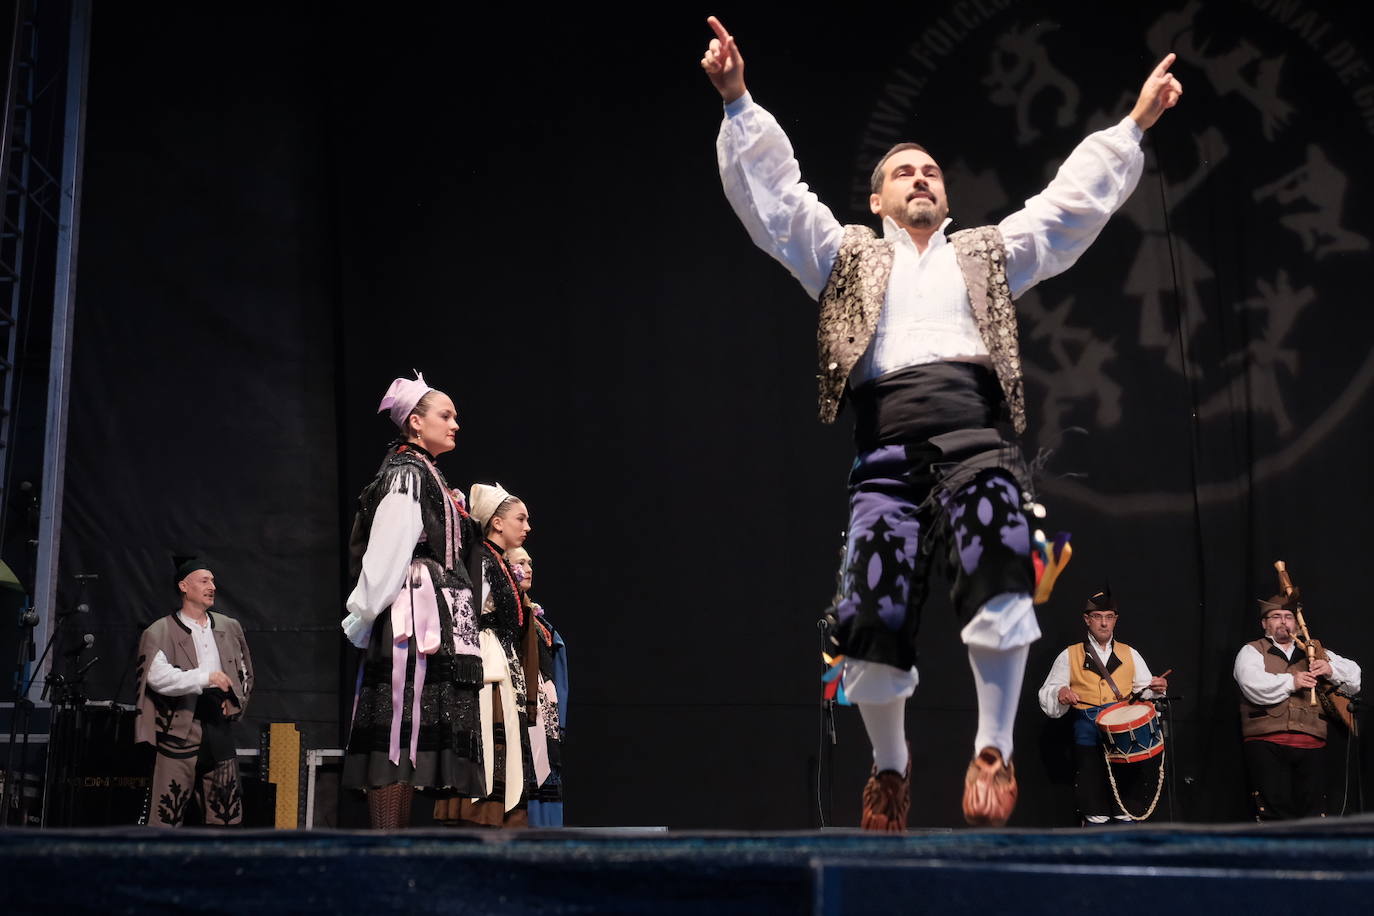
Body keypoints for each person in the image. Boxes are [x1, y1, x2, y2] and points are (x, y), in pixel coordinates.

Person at [700, 16, 1182, 829]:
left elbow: (1068, 210)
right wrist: (738, 101)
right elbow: (778, 204)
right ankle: (890, 768)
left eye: (930, 171)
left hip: (976, 436)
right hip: (884, 444)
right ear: (878, 198)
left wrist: (1133, 128)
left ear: (946, 196)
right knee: (869, 610)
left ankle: (992, 748)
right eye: (903, 172)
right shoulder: (844, 254)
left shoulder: (987, 252)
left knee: (1001, 560)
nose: (920, 179)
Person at [341, 371, 486, 829]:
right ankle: (387, 850)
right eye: (446, 415)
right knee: (395, 733)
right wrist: (363, 617)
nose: (456, 424)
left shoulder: (429, 475)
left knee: (409, 739)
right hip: (410, 620)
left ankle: (397, 848)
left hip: (432, 621)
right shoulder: (407, 474)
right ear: (416, 423)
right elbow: (386, 551)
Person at [433, 483, 535, 827]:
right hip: (487, 670)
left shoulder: (500, 562)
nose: (527, 527)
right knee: (490, 747)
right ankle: (480, 821)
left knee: (507, 749)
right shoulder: (480, 557)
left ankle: (504, 822)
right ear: (497, 523)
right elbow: (467, 615)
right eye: (520, 519)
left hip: (504, 665)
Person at [134, 556, 253, 827]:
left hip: (217, 724)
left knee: (225, 813)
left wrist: (237, 701)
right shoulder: (159, 631)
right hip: (179, 727)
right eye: (204, 580)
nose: (212, 586)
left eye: (212, 580)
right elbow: (157, 677)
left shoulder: (228, 627)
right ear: (184, 586)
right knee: (168, 813)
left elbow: (245, 671)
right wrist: (204, 678)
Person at [1037, 588, 1168, 824]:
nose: (1104, 623)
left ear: (1115, 620)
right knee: (1094, 807)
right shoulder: (1070, 655)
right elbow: (1048, 691)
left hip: (1126, 742)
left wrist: (1156, 688)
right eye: (1098, 617)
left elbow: (1144, 693)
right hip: (1088, 739)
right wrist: (1060, 693)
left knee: (1126, 807)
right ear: (1087, 620)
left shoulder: (1130, 654)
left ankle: (1125, 858)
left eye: (1109, 617)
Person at [1234, 593, 1361, 820]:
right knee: (1273, 809)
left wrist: (1330, 670)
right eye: (1276, 616)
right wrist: (1292, 681)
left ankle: (1310, 854)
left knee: (1313, 813)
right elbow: (1251, 683)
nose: (1283, 622)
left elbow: (1355, 679)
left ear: (1297, 623)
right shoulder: (1253, 650)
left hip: (1311, 741)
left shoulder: (1313, 652)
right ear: (1265, 623)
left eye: (1288, 617)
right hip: (1267, 741)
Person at [509, 546, 568, 827]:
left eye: (530, 562)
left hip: (543, 716)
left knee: (543, 780)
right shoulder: (505, 617)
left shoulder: (538, 621)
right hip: (518, 705)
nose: (529, 567)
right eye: (521, 562)